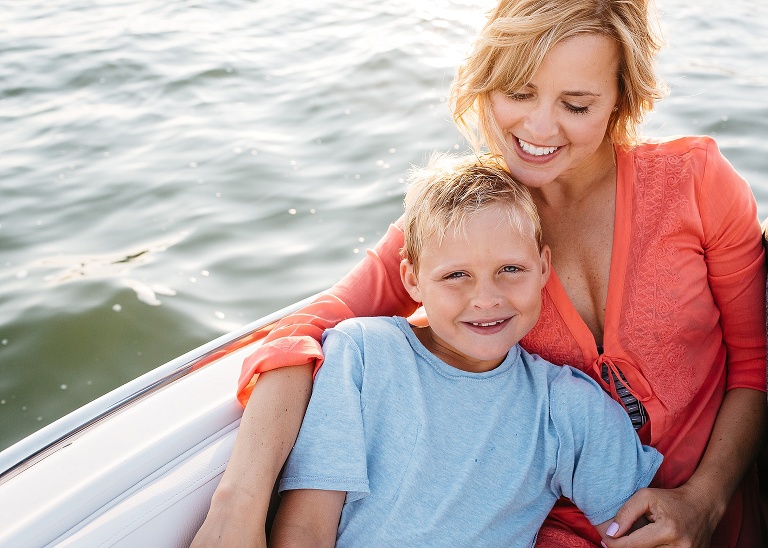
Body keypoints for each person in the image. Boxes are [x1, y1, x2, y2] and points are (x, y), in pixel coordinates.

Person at [192, 1, 768, 546]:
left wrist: (705, 500)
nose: (539, 129)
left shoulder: (697, 185)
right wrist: (237, 506)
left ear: (621, 98)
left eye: (576, 104)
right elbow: (303, 336)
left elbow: (755, 364)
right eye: (518, 92)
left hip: (714, 517)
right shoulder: (466, 225)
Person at [269, 153, 662, 547]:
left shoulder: (568, 408)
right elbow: (306, 528)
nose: (486, 299)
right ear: (412, 279)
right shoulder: (363, 355)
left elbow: (639, 535)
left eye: (511, 269)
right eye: (456, 275)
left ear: (543, 267)